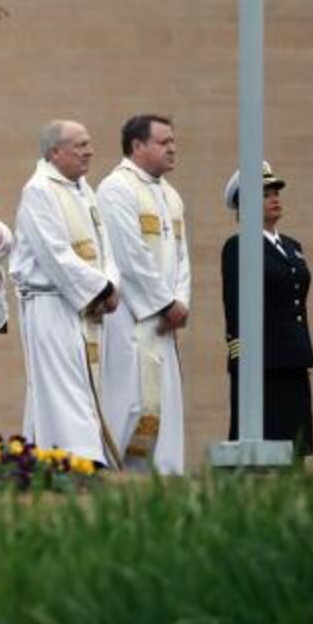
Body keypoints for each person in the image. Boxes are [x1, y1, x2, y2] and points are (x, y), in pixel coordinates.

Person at [10, 120, 122, 468]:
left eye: (89, 143)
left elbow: (106, 247)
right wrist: (100, 288)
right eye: (80, 145)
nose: (89, 151)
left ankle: (37, 454)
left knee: (66, 383)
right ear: (55, 152)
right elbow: (54, 253)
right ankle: (80, 459)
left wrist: (111, 284)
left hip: (81, 304)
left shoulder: (83, 190)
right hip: (50, 303)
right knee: (62, 382)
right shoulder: (40, 190)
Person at [96, 114, 190, 474]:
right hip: (132, 318)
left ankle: (165, 473)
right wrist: (164, 303)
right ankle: (123, 473)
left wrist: (181, 301)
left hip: (165, 320)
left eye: (173, 141)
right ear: (137, 146)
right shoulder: (116, 189)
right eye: (163, 142)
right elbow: (128, 255)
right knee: (132, 400)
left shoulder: (171, 195)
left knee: (165, 404)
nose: (173, 148)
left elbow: (182, 258)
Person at [221, 161, 313, 457]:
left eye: (276, 192)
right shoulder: (239, 246)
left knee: (295, 447)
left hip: (294, 356)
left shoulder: (291, 246)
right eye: (265, 194)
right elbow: (234, 305)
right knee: (263, 447)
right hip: (262, 360)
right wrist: (241, 354)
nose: (275, 198)